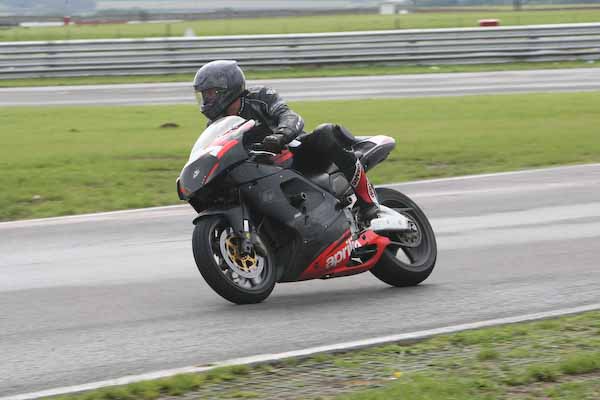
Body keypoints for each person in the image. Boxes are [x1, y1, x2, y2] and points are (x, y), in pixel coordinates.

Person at [193, 60, 379, 223]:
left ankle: (369, 202)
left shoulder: (260, 97)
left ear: (228, 89)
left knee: (325, 133)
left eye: (210, 93)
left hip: (295, 153)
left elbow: (289, 116)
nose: (206, 99)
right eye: (203, 94)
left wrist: (280, 136)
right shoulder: (216, 125)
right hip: (259, 170)